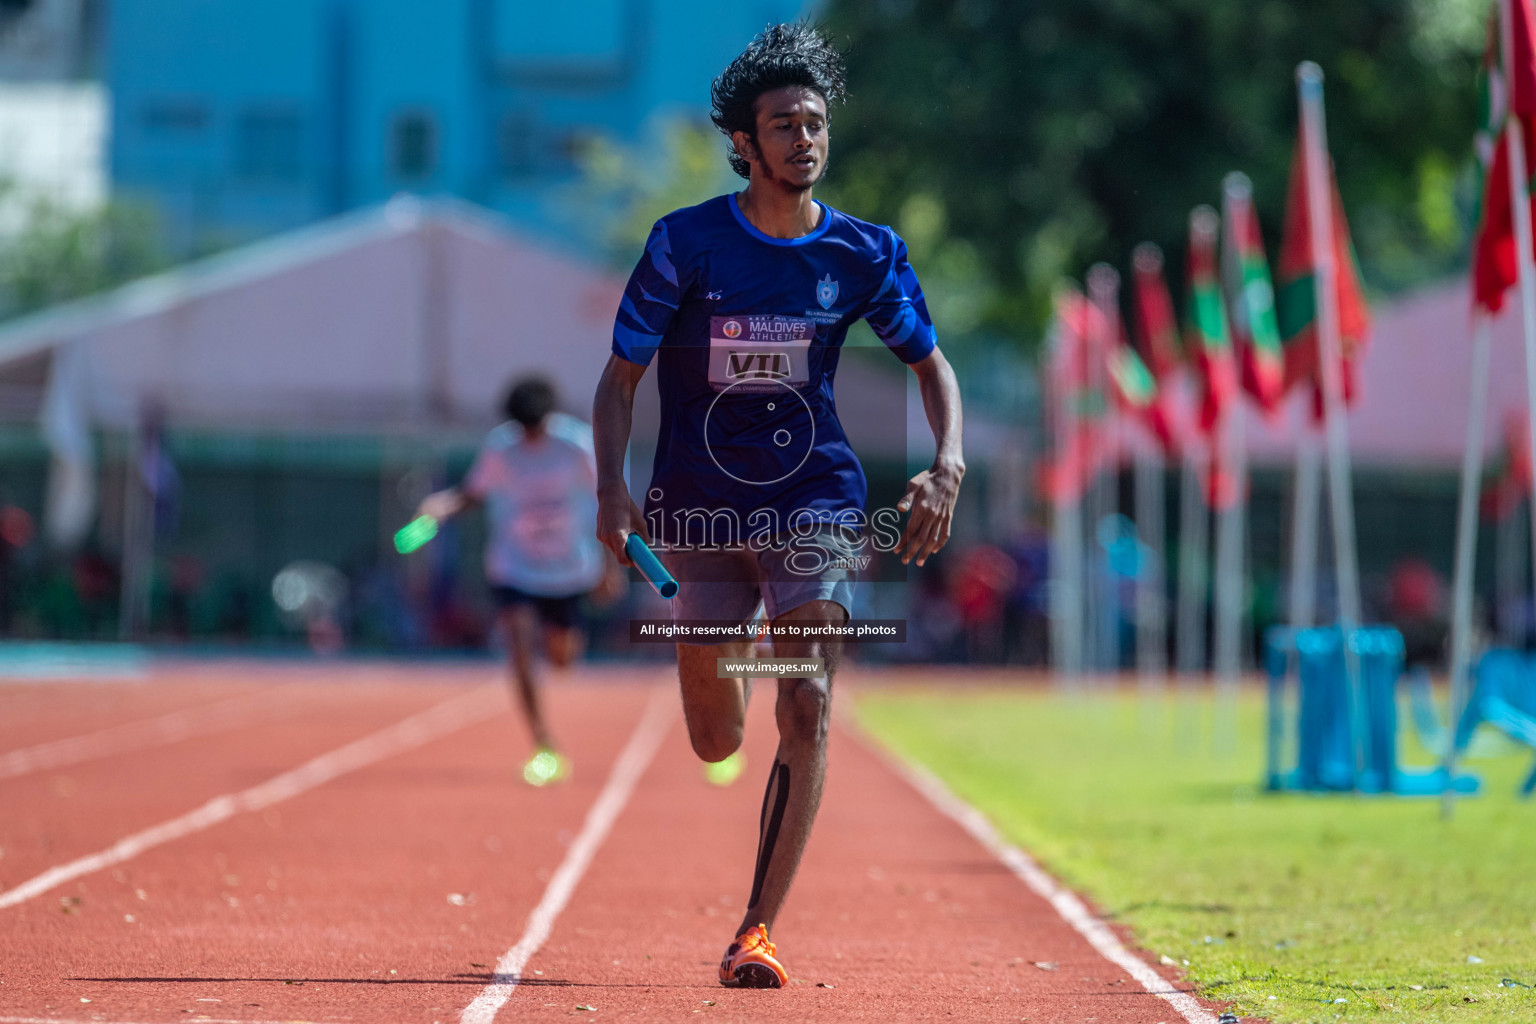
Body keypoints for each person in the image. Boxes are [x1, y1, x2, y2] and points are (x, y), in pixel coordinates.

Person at [592, 23, 964, 989]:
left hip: (814, 501)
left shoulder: (864, 253)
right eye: (783, 125)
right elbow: (620, 379)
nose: (804, 138)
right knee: (715, 733)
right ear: (745, 144)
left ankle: (756, 929)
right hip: (702, 507)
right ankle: (732, 659)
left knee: (809, 695)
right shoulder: (685, 245)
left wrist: (947, 463)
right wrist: (613, 492)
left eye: (814, 122)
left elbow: (932, 366)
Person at [418, 376, 617, 785]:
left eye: (536, 428)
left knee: (562, 659)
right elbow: (473, 493)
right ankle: (543, 742)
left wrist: (608, 565)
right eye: (523, 429)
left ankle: (555, 648)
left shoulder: (578, 445)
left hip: (568, 569)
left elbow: (609, 498)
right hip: (515, 568)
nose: (530, 437)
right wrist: (441, 507)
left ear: (550, 418)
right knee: (521, 649)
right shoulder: (500, 448)